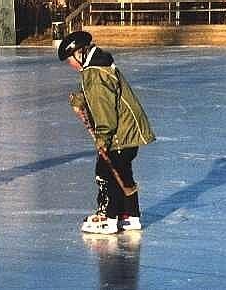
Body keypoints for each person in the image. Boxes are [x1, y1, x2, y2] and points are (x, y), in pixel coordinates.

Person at [58, 31, 155, 234]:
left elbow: (104, 110)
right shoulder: (98, 66)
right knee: (122, 172)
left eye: (70, 60)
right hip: (128, 131)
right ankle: (130, 216)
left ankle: (109, 219)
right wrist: (79, 100)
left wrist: (103, 137)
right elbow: (98, 95)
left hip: (120, 133)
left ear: (79, 53)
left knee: (106, 172)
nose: (71, 65)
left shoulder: (94, 72)